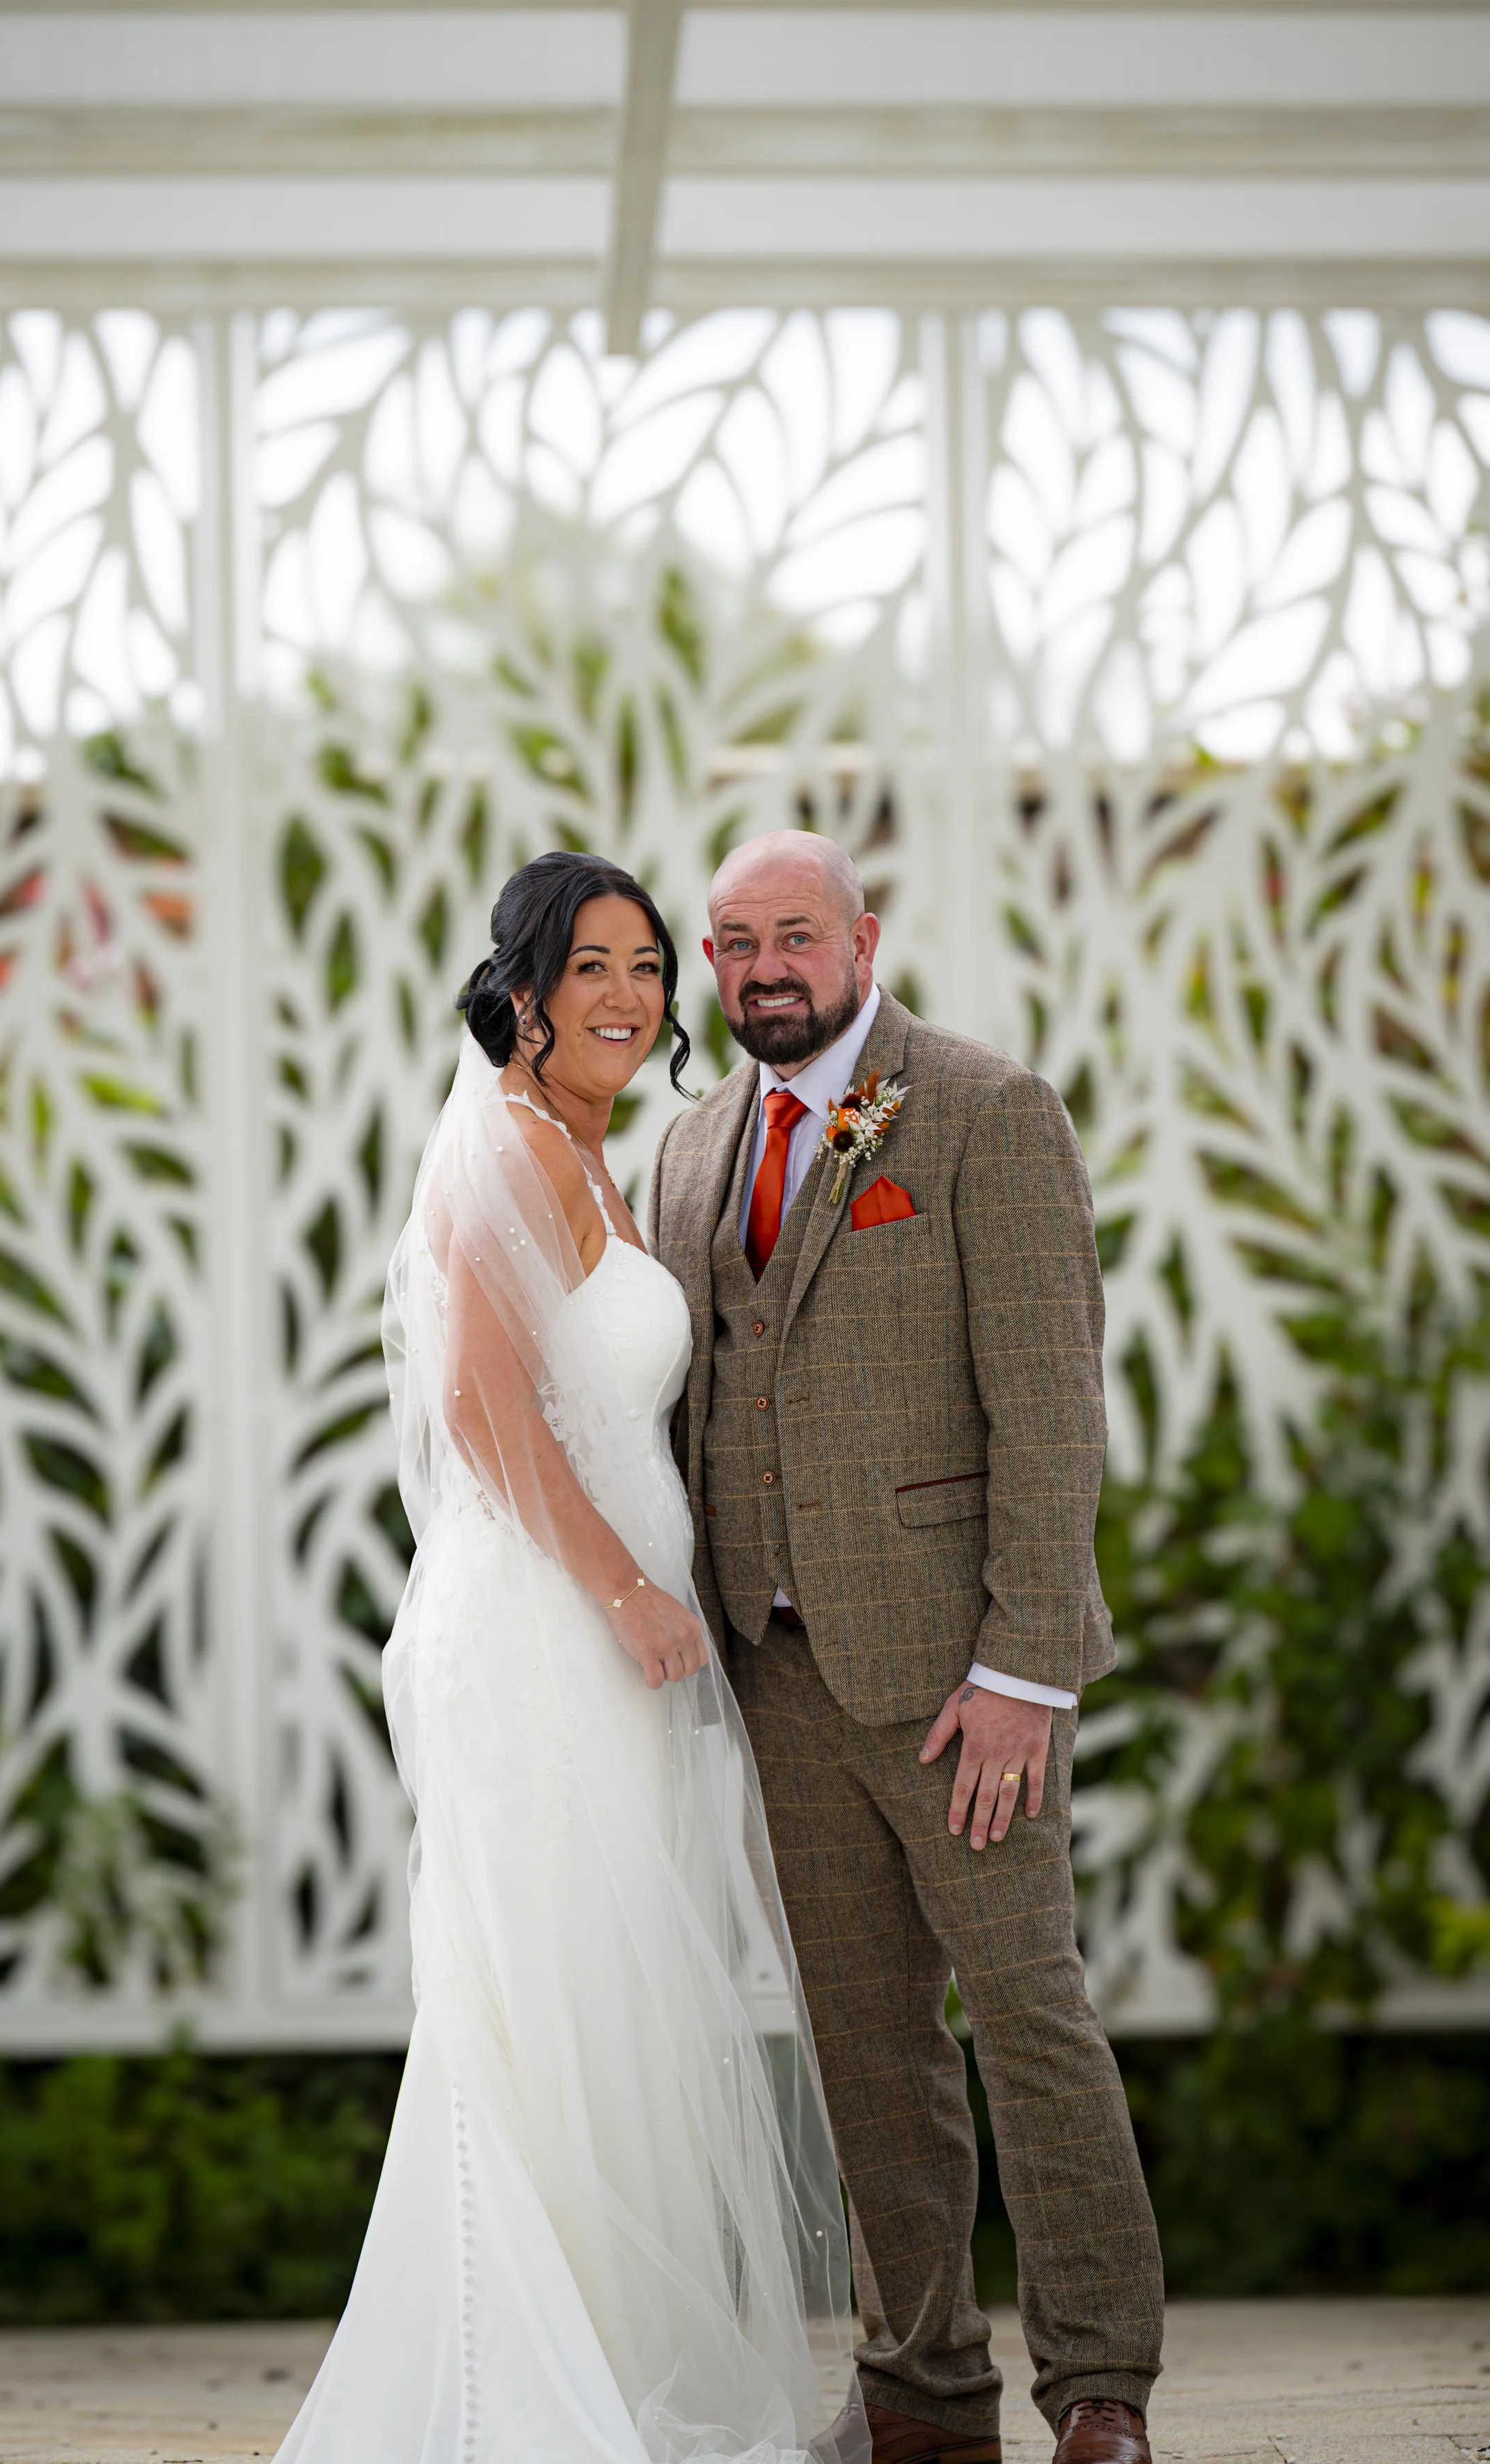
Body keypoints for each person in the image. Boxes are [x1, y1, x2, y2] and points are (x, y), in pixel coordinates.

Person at [275, 851, 869, 2464]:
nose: (626, 995)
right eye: (588, 966)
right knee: (530, 2001)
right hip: (539, 1633)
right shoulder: (508, 1148)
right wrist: (620, 1587)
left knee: (604, 2005)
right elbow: (481, 1404)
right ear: (522, 994)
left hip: (607, 1639)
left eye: (645, 965)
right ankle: (508, 2394)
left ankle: (596, 2366)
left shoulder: (610, 1161)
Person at [645, 833, 1165, 2464]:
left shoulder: (982, 1109)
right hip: (775, 1670)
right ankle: (918, 2389)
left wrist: (1025, 1671)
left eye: (791, 935)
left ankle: (1095, 2387)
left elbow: (1050, 1406)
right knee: (864, 2045)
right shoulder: (689, 1147)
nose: (760, 969)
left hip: (960, 1678)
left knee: (1025, 2010)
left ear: (862, 939)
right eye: (730, 943)